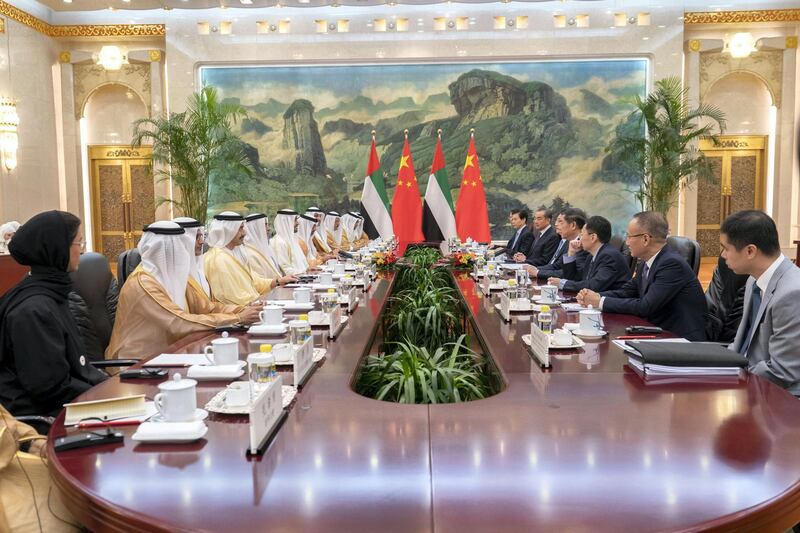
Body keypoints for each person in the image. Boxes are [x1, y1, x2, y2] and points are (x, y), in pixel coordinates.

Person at [0, 211, 107, 416]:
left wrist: (113, 387)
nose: (81, 251)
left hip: (72, 403)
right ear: (57, 249)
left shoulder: (52, 292)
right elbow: (51, 388)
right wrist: (108, 395)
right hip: (48, 420)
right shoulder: (33, 310)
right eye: (79, 243)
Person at [106, 221, 261, 360]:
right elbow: (179, 322)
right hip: (138, 363)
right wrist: (237, 318)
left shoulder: (176, 277)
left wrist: (244, 310)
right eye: (180, 246)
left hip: (172, 353)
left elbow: (207, 308)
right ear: (169, 249)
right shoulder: (143, 284)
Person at [577, 211, 707, 341]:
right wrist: (596, 296)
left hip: (681, 339)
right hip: (657, 332)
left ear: (645, 239)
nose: (627, 242)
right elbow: (627, 291)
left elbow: (645, 306)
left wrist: (600, 302)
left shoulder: (671, 264)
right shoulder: (648, 261)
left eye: (629, 236)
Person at [722, 210, 800, 395]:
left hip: (782, 398)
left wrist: (730, 381)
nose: (723, 255)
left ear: (750, 251)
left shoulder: (792, 293)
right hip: (751, 383)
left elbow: (782, 370)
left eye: (726, 248)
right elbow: (741, 346)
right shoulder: (754, 280)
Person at [0, 404, 81, 532]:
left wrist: (31, 443)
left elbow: (6, 420)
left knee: (79, 481)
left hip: (15, 462)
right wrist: (4, 436)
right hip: (6, 494)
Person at [204, 212, 286, 305]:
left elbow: (253, 282)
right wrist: (257, 303)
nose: (244, 232)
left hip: (253, 306)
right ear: (229, 230)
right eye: (240, 228)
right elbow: (229, 296)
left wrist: (277, 281)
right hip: (240, 314)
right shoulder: (217, 259)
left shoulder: (237, 252)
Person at [547, 215, 630, 292]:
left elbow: (594, 286)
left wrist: (562, 284)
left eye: (582, 234)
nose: (579, 238)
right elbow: (574, 279)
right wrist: (571, 253)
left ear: (593, 237)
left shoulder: (609, 256)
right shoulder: (591, 256)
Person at [524, 207, 588, 279]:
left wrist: (537, 272)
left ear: (573, 225)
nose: (556, 224)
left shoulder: (584, 245)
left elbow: (569, 274)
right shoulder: (567, 242)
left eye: (560, 221)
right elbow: (557, 265)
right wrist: (534, 269)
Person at [241, 213, 286, 280]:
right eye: (265, 225)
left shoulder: (268, 248)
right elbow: (259, 282)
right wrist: (279, 281)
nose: (268, 229)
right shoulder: (248, 253)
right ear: (255, 228)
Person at [272, 209, 310, 275]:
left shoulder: (292, 241)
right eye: (295, 220)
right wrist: (304, 272)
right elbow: (284, 269)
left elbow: (302, 264)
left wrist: (308, 270)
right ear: (286, 222)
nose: (298, 223)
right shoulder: (279, 242)